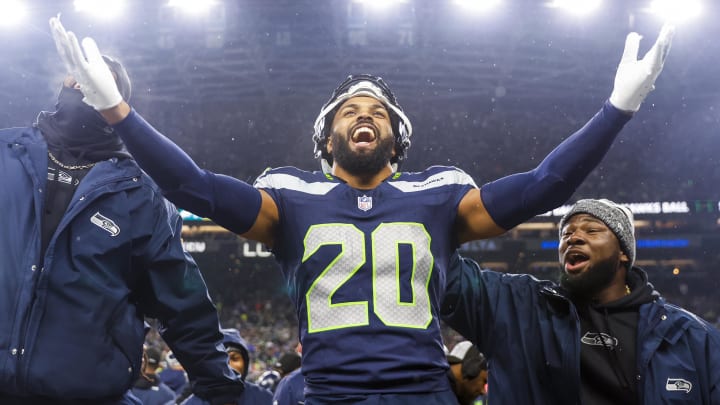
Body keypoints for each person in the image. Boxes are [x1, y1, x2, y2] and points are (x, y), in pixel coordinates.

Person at [49, 16, 674, 404]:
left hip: (423, 394)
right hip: (328, 395)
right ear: (326, 139)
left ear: (397, 140)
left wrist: (615, 110)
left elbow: (542, 185)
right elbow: (194, 186)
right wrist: (119, 114)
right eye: (350, 109)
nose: (364, 113)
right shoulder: (289, 199)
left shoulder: (440, 194)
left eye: (376, 109)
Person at [0, 24, 244, 404]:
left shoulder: (140, 196)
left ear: (116, 103)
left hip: (81, 396)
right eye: (77, 74)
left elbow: (182, 302)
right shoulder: (4, 154)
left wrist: (222, 390)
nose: (84, 80)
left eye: (101, 79)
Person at [441, 199, 720, 404]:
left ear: (623, 252)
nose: (573, 237)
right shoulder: (518, 306)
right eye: (566, 233)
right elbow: (442, 273)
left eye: (591, 230)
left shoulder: (692, 337)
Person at [182, 328, 273, 405]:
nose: (228, 365)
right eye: (221, 360)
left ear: (245, 362)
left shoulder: (265, 398)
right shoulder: (194, 402)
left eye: (234, 358)